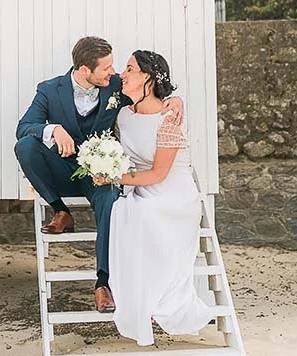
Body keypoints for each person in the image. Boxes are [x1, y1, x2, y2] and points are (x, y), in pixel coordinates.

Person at [14, 36, 182, 313]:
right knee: (26, 146)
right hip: (63, 170)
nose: (113, 72)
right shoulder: (49, 90)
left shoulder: (116, 85)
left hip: (100, 175)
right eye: (106, 67)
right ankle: (60, 211)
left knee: (109, 201)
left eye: (114, 66)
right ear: (84, 70)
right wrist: (53, 129)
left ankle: (103, 283)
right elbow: (25, 126)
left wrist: (176, 100)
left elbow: (151, 92)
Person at [106, 50, 214, 346]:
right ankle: (138, 295)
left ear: (148, 78)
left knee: (143, 214)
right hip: (142, 189)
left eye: (129, 69)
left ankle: (158, 301)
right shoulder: (123, 115)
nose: (122, 75)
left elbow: (158, 174)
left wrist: (113, 177)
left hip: (173, 194)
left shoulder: (170, 117)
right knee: (123, 212)